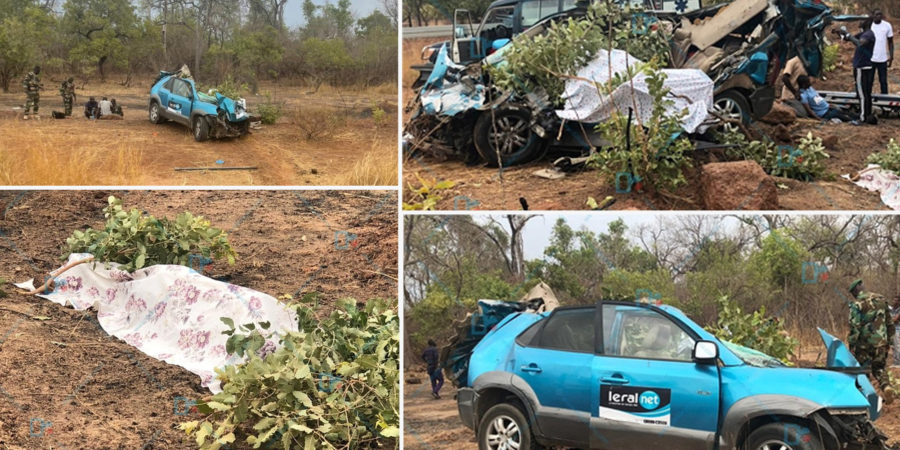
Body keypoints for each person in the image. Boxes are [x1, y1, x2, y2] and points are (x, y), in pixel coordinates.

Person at [848, 279, 896, 402]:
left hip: (863, 345)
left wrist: (852, 346)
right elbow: (889, 323)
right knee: (879, 368)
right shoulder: (881, 299)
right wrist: (889, 342)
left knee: (862, 370)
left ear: (855, 290)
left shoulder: (857, 304)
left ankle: (866, 396)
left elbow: (854, 327)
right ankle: (886, 387)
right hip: (881, 342)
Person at [833, 20, 878, 125]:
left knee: (862, 94)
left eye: (862, 21)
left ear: (866, 23)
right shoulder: (864, 34)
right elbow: (849, 39)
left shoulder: (868, 34)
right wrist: (840, 33)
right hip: (865, 66)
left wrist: (847, 33)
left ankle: (862, 118)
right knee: (865, 94)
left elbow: (859, 43)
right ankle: (867, 114)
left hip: (862, 67)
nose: (859, 22)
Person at [870, 9, 894, 94]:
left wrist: (891, 56)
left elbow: (890, 42)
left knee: (883, 81)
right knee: (869, 81)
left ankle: (885, 100)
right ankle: (868, 100)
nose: (878, 16)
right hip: (870, 59)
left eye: (880, 14)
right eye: (876, 14)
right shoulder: (869, 26)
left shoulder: (887, 26)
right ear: (872, 15)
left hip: (882, 59)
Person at [892, 295, 900, 367]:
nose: (893, 302)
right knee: (894, 346)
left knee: (897, 345)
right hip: (893, 328)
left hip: (898, 329)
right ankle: (895, 362)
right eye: (893, 300)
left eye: (895, 300)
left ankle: (898, 363)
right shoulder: (893, 309)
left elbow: (895, 319)